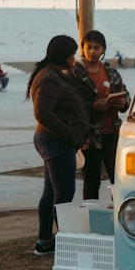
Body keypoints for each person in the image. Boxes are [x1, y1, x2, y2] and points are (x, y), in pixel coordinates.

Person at [26, 35, 89, 255]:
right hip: (56, 142)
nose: (74, 58)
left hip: (56, 142)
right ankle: (64, 241)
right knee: (63, 195)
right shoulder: (49, 78)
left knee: (52, 192)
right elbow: (43, 113)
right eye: (72, 53)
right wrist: (70, 134)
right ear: (63, 55)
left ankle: (45, 241)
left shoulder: (54, 75)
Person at [72, 30, 129, 200]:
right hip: (89, 136)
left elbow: (125, 94)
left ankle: (117, 214)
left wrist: (122, 103)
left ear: (103, 50)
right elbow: (71, 103)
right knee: (92, 180)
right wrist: (93, 106)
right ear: (82, 48)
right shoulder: (75, 72)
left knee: (117, 178)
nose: (92, 51)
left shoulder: (110, 71)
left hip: (112, 133)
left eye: (97, 48)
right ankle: (92, 217)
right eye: (88, 47)